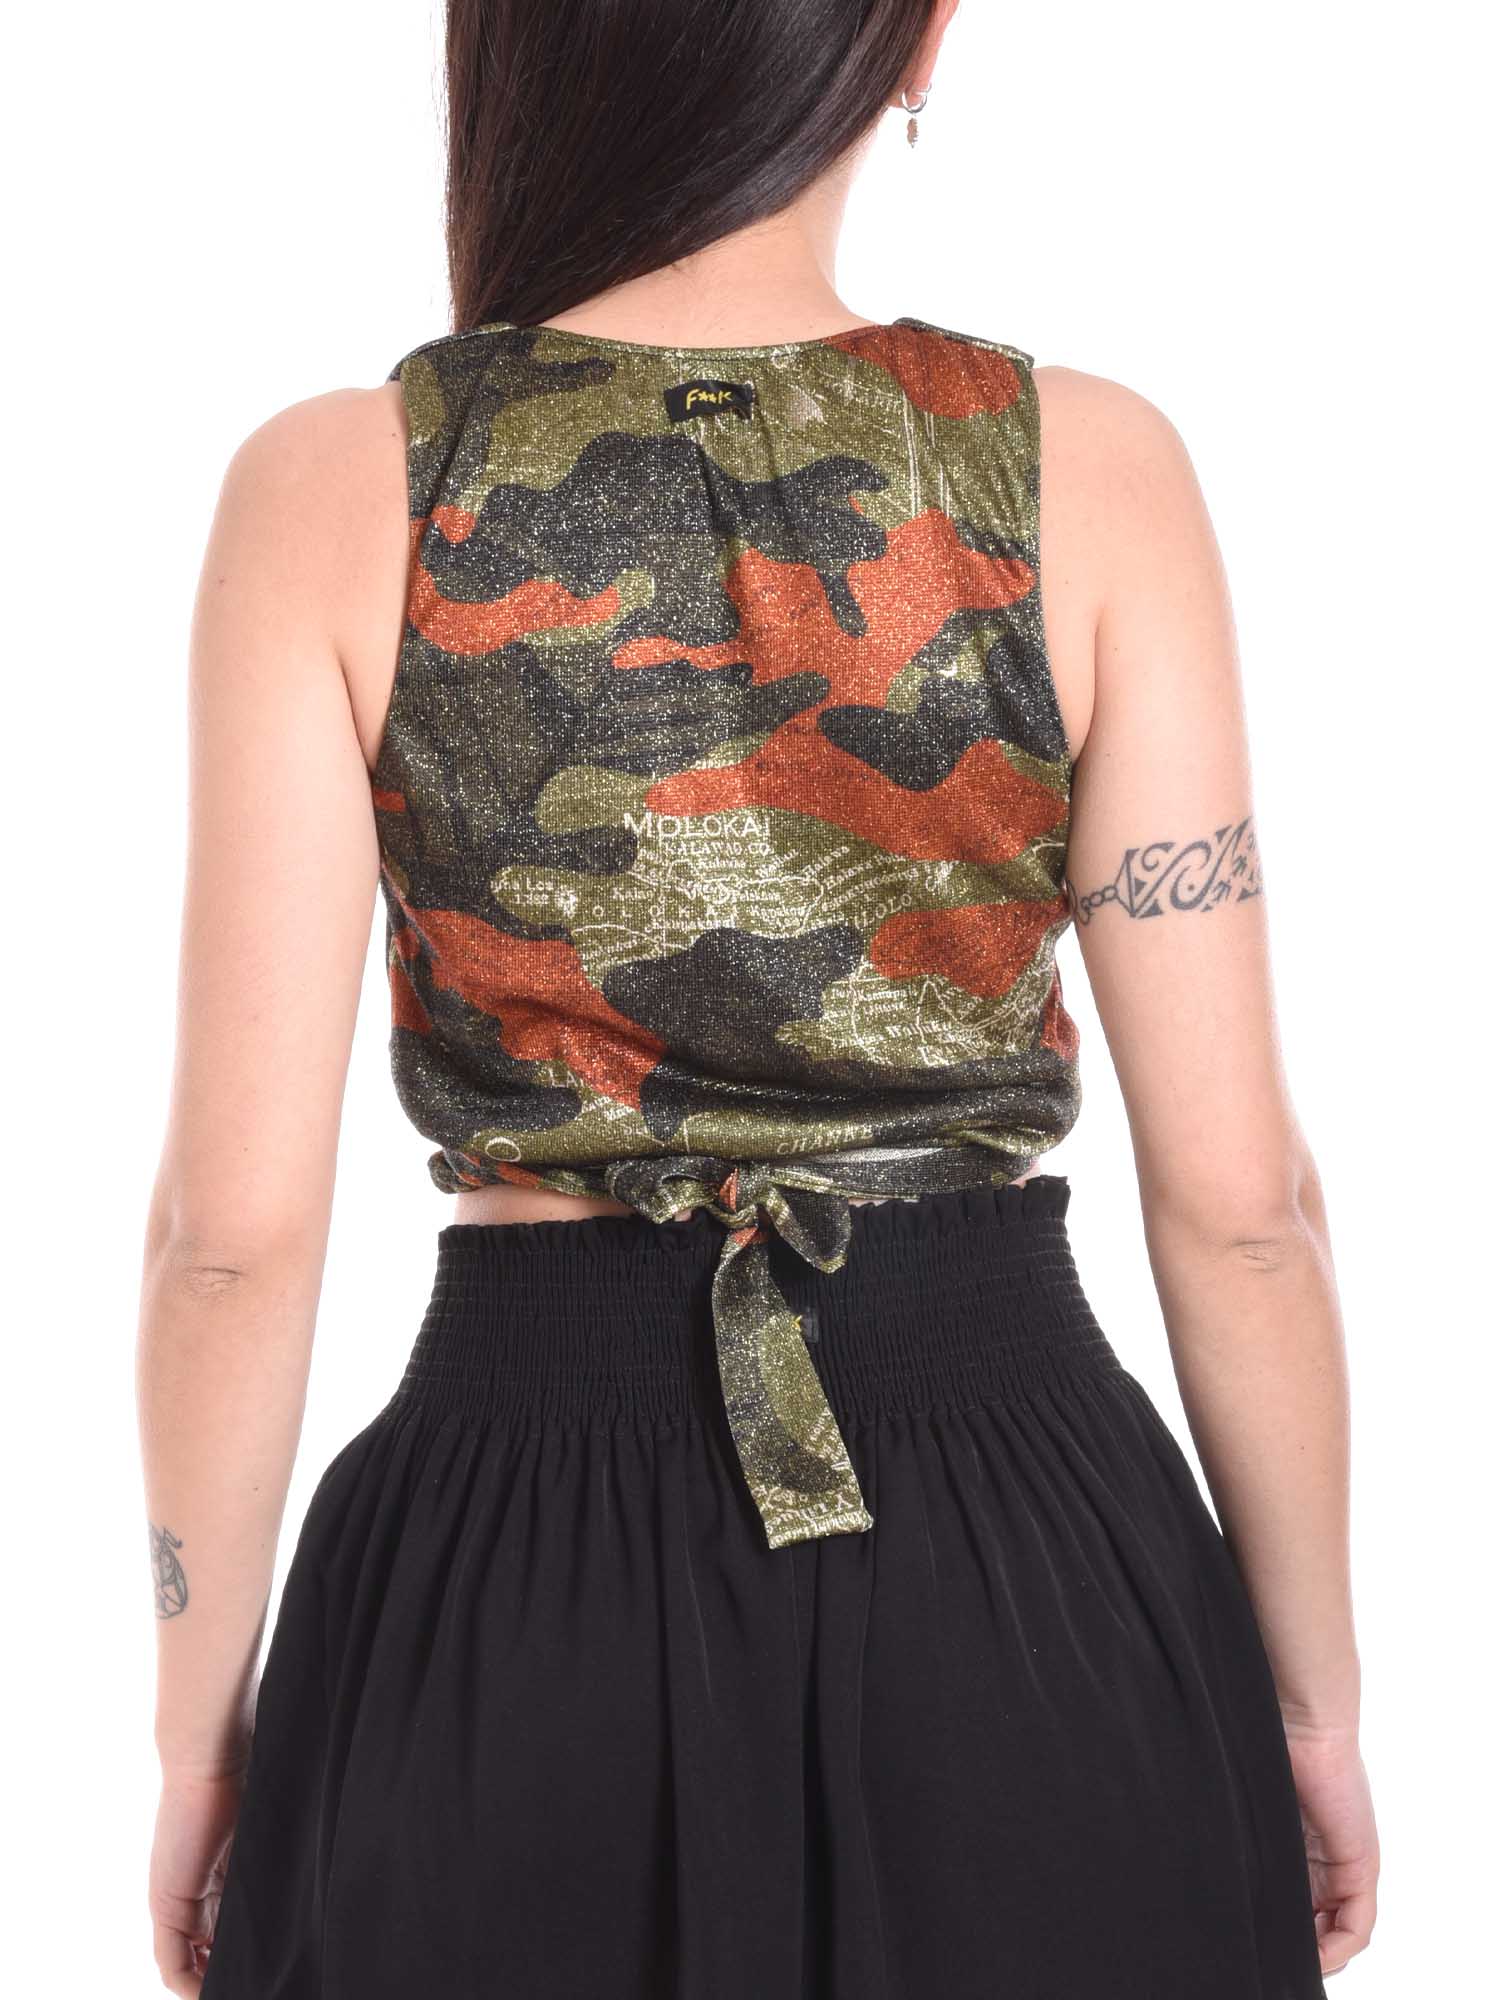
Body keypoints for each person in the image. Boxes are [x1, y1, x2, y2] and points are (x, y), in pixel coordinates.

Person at [137, 2, 1379, 1994]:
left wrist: (198, 1747)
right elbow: (1246, 1212)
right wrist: (1311, 1709)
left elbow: (231, 1243)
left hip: (500, 1569)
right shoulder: (1088, 470)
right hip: (1031, 1555)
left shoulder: (338, 487)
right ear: (918, 35)